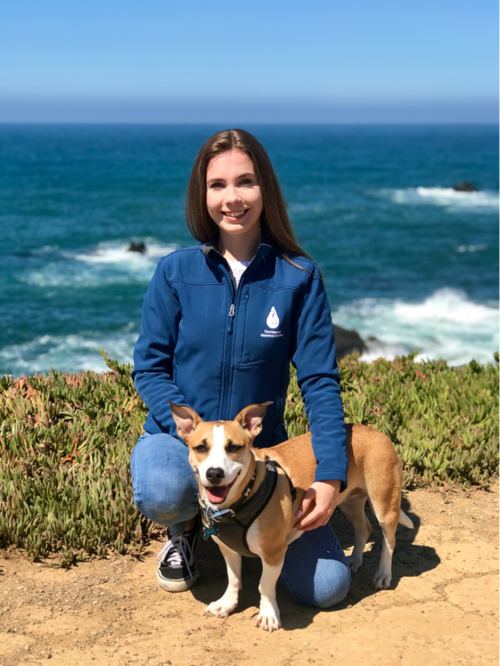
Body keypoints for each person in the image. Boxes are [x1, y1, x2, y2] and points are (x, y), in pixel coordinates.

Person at [131, 129, 351, 608]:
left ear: (265, 189)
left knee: (329, 587)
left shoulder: (299, 277)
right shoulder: (174, 271)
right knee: (165, 488)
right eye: (217, 185)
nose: (232, 198)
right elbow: (148, 366)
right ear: (202, 194)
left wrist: (330, 476)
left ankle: (246, 521)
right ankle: (188, 528)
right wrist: (189, 429)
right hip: (181, 439)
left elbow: (319, 382)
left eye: (245, 182)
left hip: (260, 456)